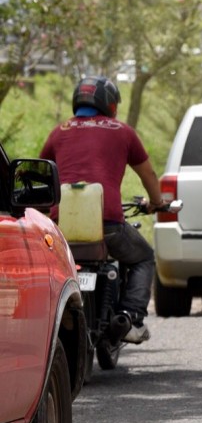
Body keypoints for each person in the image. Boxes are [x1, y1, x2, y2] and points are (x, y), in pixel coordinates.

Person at [40, 75, 166, 344]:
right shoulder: (122, 131)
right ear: (109, 104)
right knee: (144, 257)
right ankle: (130, 315)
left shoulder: (58, 131)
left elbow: (40, 174)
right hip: (107, 223)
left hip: (62, 225)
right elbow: (148, 175)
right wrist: (156, 202)